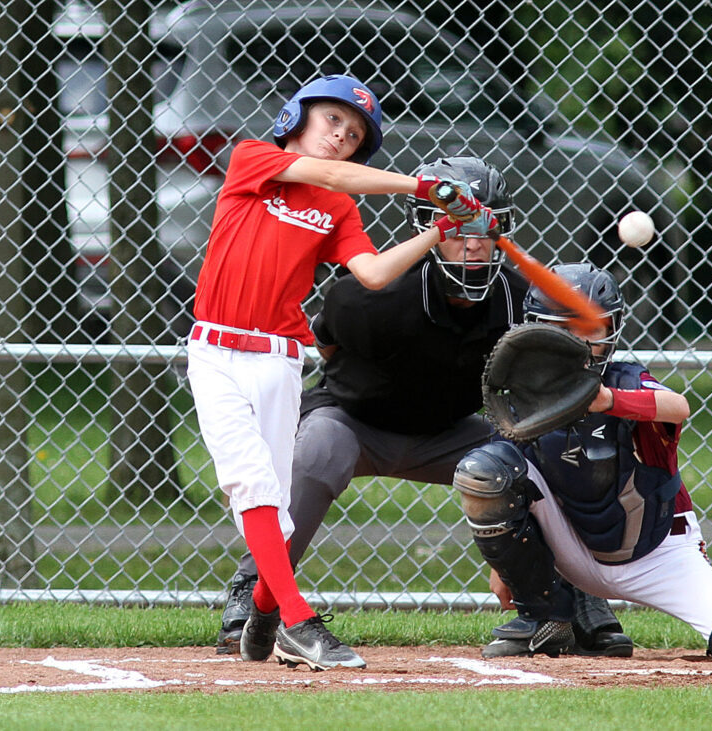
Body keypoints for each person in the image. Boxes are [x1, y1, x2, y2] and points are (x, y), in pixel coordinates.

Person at [216, 156, 634, 660]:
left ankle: (572, 602)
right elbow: (327, 344)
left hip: (449, 433)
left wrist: (510, 534)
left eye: (487, 226)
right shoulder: (373, 296)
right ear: (430, 228)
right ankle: (255, 588)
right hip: (355, 423)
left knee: (541, 452)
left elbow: (543, 393)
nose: (474, 242)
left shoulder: (516, 301)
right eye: (459, 227)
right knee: (317, 453)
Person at [188, 75, 492, 672]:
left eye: (353, 135)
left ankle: (261, 613)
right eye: (332, 121)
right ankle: (298, 620)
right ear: (295, 117)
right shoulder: (256, 159)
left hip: (277, 360)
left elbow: (373, 273)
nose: (341, 138)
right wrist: (422, 185)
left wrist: (438, 229)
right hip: (215, 353)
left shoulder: (337, 207)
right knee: (250, 484)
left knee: (275, 502)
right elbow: (327, 174)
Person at [454, 263, 712, 661]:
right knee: (485, 470)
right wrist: (506, 567)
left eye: (591, 329)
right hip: (573, 546)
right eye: (564, 328)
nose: (578, 342)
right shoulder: (524, 395)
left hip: (656, 550)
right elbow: (511, 478)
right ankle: (546, 619)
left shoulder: (625, 380)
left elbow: (678, 406)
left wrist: (608, 401)